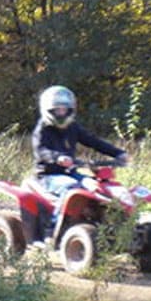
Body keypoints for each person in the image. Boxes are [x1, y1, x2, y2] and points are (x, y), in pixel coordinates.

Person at [31, 85, 127, 242]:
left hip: (70, 172)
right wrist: (58, 158)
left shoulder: (72, 127)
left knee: (98, 188)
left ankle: (110, 226)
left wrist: (118, 153)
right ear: (48, 110)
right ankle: (51, 230)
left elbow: (93, 141)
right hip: (47, 175)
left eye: (64, 109)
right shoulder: (42, 129)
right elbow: (41, 150)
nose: (61, 113)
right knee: (71, 188)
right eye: (57, 110)